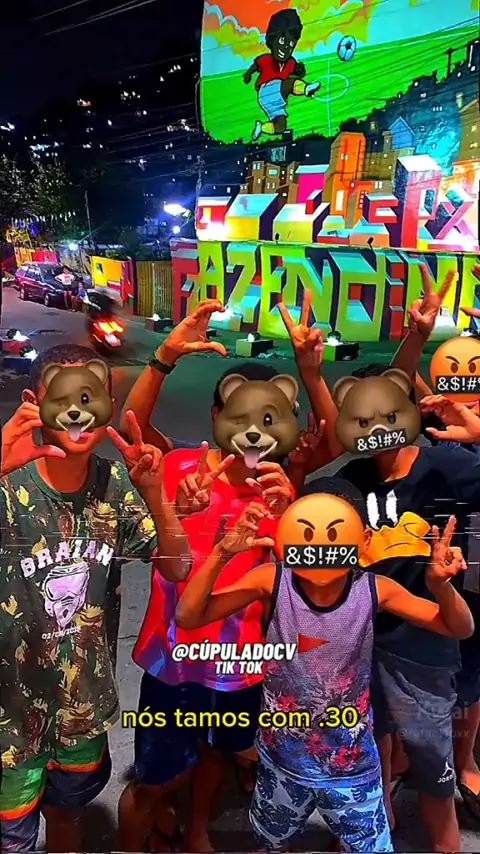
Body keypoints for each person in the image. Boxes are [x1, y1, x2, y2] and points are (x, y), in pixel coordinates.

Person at [175, 482, 473, 853]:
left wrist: (442, 587)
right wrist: (221, 554)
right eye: (306, 533)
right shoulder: (272, 580)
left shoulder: (376, 589)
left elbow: (459, 627)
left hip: (352, 766)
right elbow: (188, 616)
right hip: (281, 760)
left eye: (335, 534)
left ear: (363, 540)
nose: (319, 547)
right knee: (271, 842)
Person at [0, 344, 190, 854]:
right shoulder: (8, 483)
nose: (76, 412)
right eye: (61, 397)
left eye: (90, 397)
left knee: (69, 815)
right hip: (9, 719)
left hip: (84, 707)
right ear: (33, 404)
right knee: (13, 839)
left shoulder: (115, 485)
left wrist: (155, 493)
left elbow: (177, 567)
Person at [118, 352, 296, 853]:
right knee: (154, 779)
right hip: (170, 658)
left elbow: (294, 581)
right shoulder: (179, 467)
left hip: (239, 664)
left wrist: (288, 514)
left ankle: (197, 829)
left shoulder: (280, 492)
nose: (254, 431)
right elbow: (134, 424)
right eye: (240, 413)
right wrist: (164, 358)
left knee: (216, 756)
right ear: (218, 415)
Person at [243, 8, 320, 141]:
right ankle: (306, 89)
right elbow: (256, 65)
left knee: (280, 126)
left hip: (275, 101)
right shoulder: (267, 59)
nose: (286, 47)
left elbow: (296, 74)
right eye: (282, 41)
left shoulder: (291, 62)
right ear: (272, 40)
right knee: (288, 84)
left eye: (291, 43)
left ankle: (261, 127)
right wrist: (248, 74)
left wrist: (300, 71)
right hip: (266, 91)